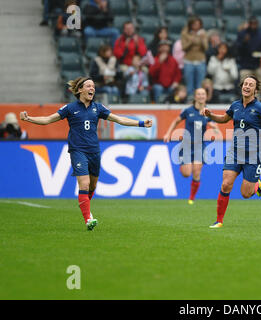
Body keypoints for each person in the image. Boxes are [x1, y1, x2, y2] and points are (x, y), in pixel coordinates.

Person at [19, 77, 152, 230]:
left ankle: (85, 206)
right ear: (80, 90)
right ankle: (88, 219)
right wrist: (29, 118)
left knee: (92, 186)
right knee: (84, 183)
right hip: (78, 150)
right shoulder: (70, 108)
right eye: (88, 86)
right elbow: (48, 120)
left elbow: (119, 119)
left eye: (93, 86)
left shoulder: (98, 108)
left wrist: (140, 123)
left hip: (94, 151)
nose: (92, 89)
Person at [201, 75, 261, 228]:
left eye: (251, 85)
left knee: (245, 194)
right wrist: (211, 115)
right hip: (235, 151)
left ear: (255, 90)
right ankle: (219, 221)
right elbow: (224, 119)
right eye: (245, 84)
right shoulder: (235, 105)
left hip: (254, 154)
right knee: (225, 185)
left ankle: (256, 184)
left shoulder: (260, 108)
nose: (247, 86)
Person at [163, 88, 219, 204]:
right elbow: (176, 121)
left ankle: (191, 198)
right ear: (195, 96)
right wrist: (168, 133)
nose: (201, 96)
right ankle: (183, 165)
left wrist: (215, 128)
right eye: (198, 94)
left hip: (200, 146)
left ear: (206, 96)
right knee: (186, 173)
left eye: (203, 94)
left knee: (197, 172)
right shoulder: (188, 111)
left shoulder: (208, 112)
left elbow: (212, 122)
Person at [180, 16, 208, 98]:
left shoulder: (203, 33)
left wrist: (202, 39)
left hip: (200, 61)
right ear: (191, 25)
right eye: (194, 24)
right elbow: (183, 47)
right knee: (189, 85)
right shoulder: (185, 33)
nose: (196, 26)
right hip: (189, 61)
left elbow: (206, 48)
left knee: (200, 85)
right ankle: (190, 101)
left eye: (198, 24)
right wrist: (191, 41)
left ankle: (200, 101)